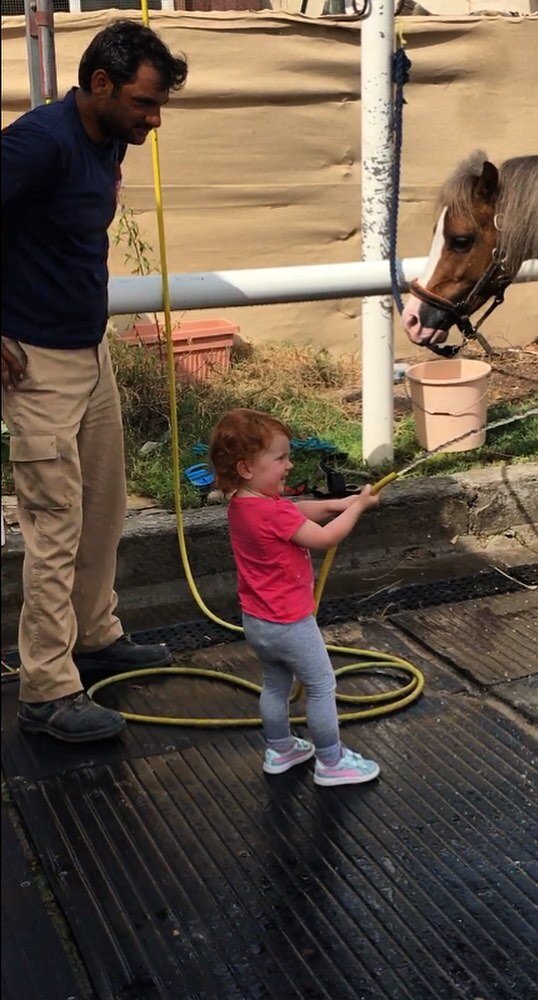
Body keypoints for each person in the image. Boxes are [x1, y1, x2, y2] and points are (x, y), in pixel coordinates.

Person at [1, 21, 188, 743]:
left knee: (105, 509)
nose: (154, 119)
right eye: (145, 103)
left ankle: (93, 634)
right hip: (36, 361)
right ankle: (46, 691)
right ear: (100, 85)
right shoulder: (38, 143)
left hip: (88, 350)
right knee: (55, 527)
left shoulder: (109, 136)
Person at [209, 408, 382, 786]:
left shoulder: (244, 504)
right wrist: (358, 509)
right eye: (281, 458)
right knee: (321, 686)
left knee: (275, 685)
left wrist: (341, 503)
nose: (289, 465)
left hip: (257, 622)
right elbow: (324, 538)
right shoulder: (272, 513)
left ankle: (280, 749)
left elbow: (296, 511)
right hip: (290, 623)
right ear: (246, 468)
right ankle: (332, 763)